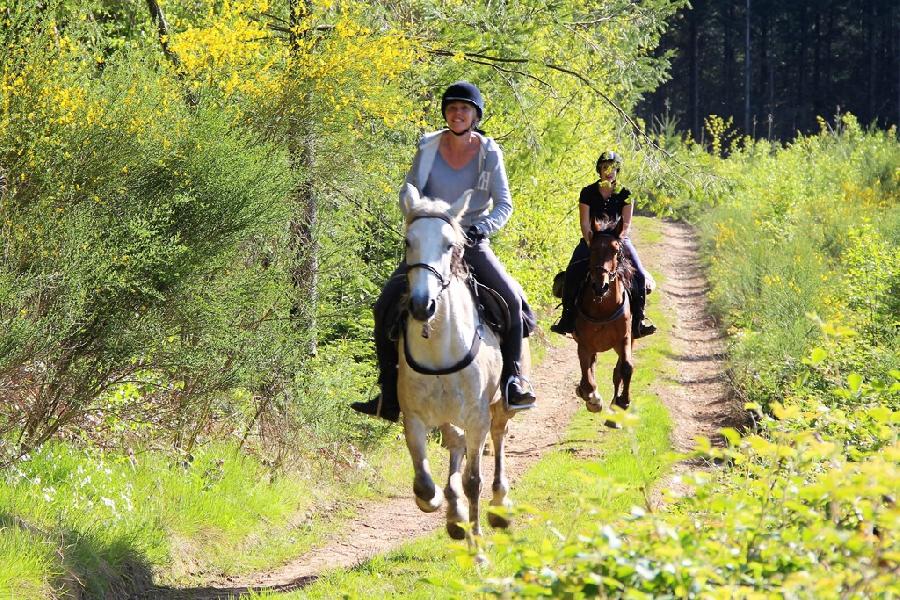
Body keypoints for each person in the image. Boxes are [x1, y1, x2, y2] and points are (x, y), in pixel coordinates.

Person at [351, 81, 537, 422]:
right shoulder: (428, 145)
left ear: (476, 115)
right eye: (452, 108)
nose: (457, 113)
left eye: (464, 109)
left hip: (470, 238)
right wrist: (417, 214)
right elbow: (410, 189)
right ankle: (389, 391)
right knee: (384, 305)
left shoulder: (489, 152)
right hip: (432, 240)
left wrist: (483, 228)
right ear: (445, 113)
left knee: (511, 299)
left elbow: (504, 204)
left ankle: (512, 380)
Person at [550, 150, 657, 338]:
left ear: (618, 171)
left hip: (619, 241)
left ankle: (639, 320)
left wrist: (615, 242)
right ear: (599, 170)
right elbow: (584, 222)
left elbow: (626, 224)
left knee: (639, 275)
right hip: (592, 241)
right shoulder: (587, 192)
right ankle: (566, 317)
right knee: (572, 272)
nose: (609, 171)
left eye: (613, 168)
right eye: (605, 167)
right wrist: (591, 242)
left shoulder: (625, 193)